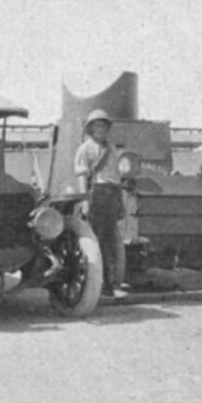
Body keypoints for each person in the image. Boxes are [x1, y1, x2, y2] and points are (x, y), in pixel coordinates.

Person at [74, 109, 124, 297]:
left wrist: (120, 202)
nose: (100, 129)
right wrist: (84, 200)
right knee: (97, 238)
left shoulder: (111, 149)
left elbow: (117, 177)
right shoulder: (85, 149)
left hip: (112, 193)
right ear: (90, 129)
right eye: (96, 126)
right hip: (96, 192)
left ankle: (108, 285)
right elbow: (81, 175)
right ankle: (96, 284)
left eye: (102, 126)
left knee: (110, 239)